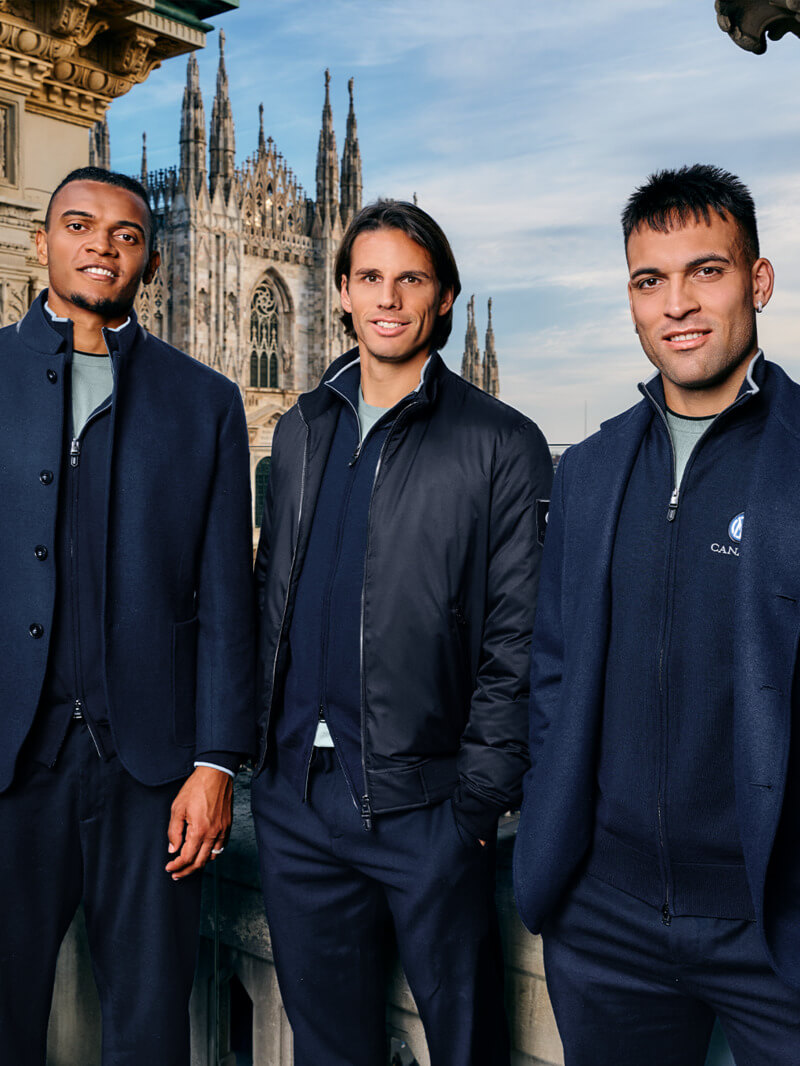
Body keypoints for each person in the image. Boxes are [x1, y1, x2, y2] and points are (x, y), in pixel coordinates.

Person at [252, 199, 552, 1066]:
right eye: (371, 277)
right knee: (327, 1048)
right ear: (343, 292)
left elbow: (519, 638)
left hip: (427, 806)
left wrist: (477, 803)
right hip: (296, 799)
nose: (388, 298)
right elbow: (273, 592)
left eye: (411, 279)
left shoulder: (501, 440)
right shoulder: (300, 428)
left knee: (464, 1045)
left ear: (445, 297)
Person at [513, 163, 800, 1064]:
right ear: (632, 300)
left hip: (773, 925)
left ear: (757, 280)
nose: (677, 303)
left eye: (706, 271)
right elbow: (553, 672)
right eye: (650, 280)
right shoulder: (591, 469)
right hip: (606, 924)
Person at [0, 166, 255, 1065]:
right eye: (80, 225)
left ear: (150, 260)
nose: (102, 246)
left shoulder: (204, 400)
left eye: (127, 235)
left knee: (150, 1030)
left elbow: (228, 601)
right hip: (10, 763)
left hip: (153, 778)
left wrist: (216, 762)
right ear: (43, 243)